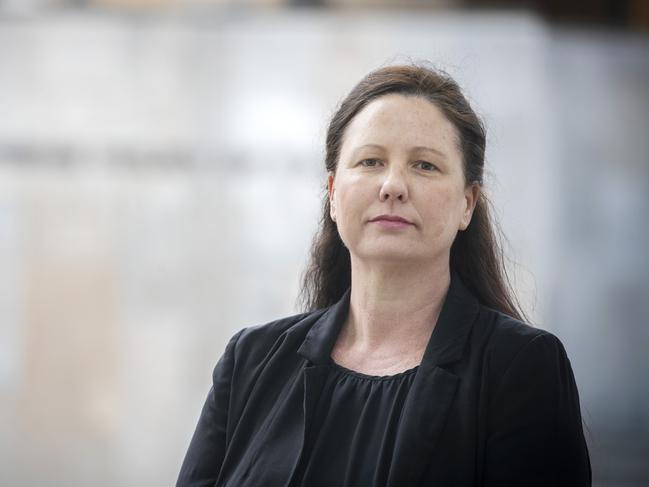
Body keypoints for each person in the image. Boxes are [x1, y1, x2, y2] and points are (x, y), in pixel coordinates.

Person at [176, 64, 591, 487]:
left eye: (425, 166)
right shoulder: (251, 361)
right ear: (334, 193)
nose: (393, 185)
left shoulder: (520, 368)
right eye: (371, 161)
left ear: (468, 203)